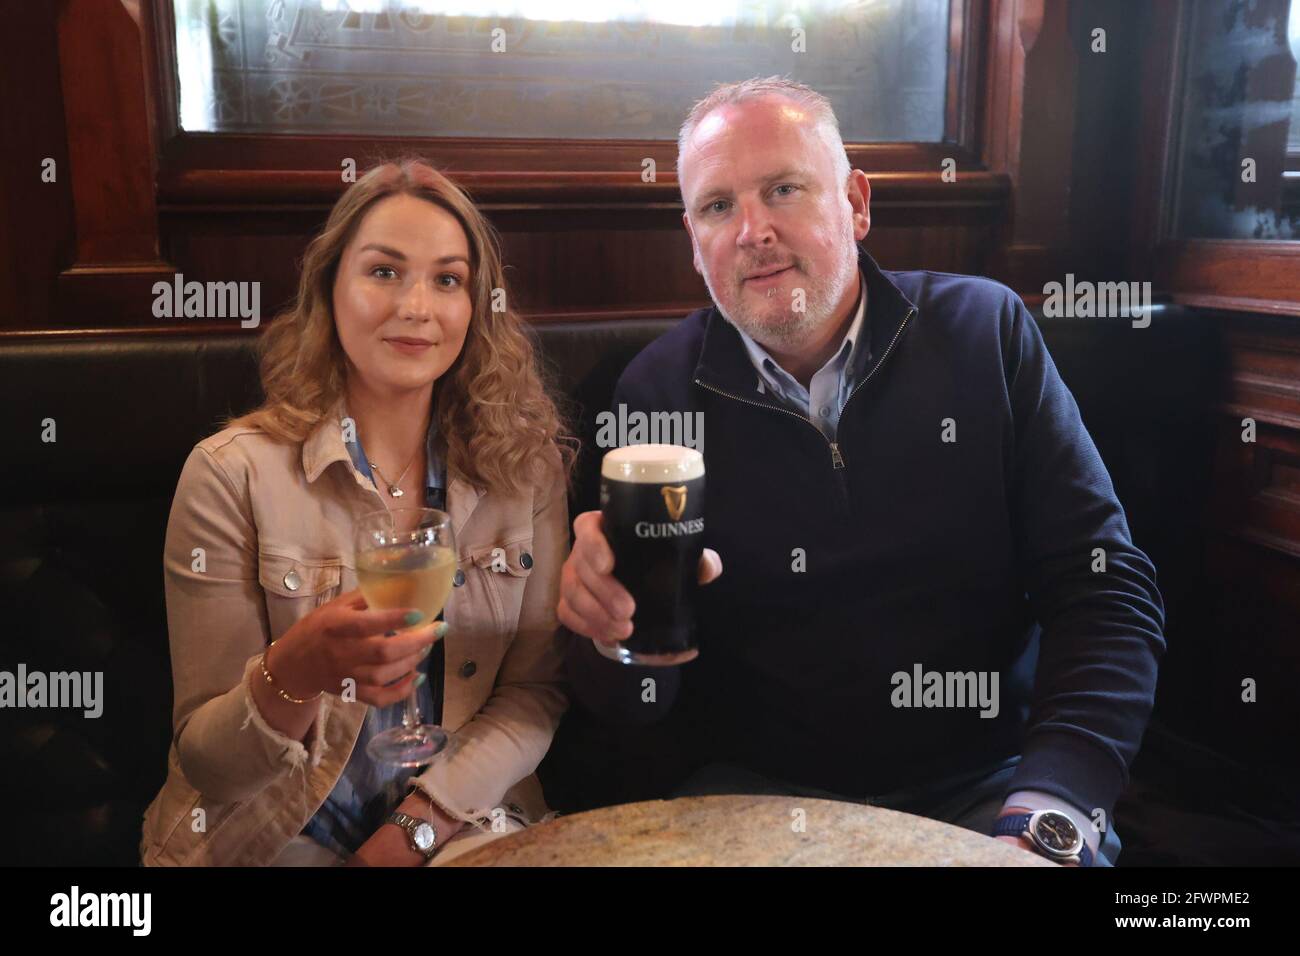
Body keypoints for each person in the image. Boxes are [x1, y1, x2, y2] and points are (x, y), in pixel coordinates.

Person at [556, 77, 1166, 867]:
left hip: (987, 786)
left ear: (857, 202)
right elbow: (639, 707)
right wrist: (608, 641)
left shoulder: (985, 335)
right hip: (757, 798)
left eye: (784, 189)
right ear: (693, 242)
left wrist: (1049, 813)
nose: (752, 231)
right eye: (717, 207)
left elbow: (1105, 588)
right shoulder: (654, 390)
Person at [141, 159, 575, 866]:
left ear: (476, 306)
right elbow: (211, 765)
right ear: (329, 288)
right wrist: (298, 668)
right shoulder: (229, 473)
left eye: (448, 279)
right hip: (268, 833)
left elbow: (534, 692)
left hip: (462, 820)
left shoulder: (525, 469)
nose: (416, 307)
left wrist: (414, 832)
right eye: (383, 272)